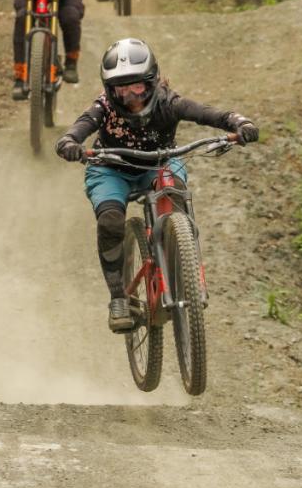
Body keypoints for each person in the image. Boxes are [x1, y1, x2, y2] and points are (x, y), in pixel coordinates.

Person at [55, 37, 259, 332]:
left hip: (160, 162)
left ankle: (183, 260)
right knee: (111, 221)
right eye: (120, 89)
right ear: (109, 90)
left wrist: (240, 123)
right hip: (111, 168)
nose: (130, 97)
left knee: (175, 194)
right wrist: (69, 141)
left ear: (152, 83)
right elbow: (80, 126)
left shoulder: (169, 102)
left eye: (137, 86)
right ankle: (118, 299)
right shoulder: (103, 107)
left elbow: (209, 114)